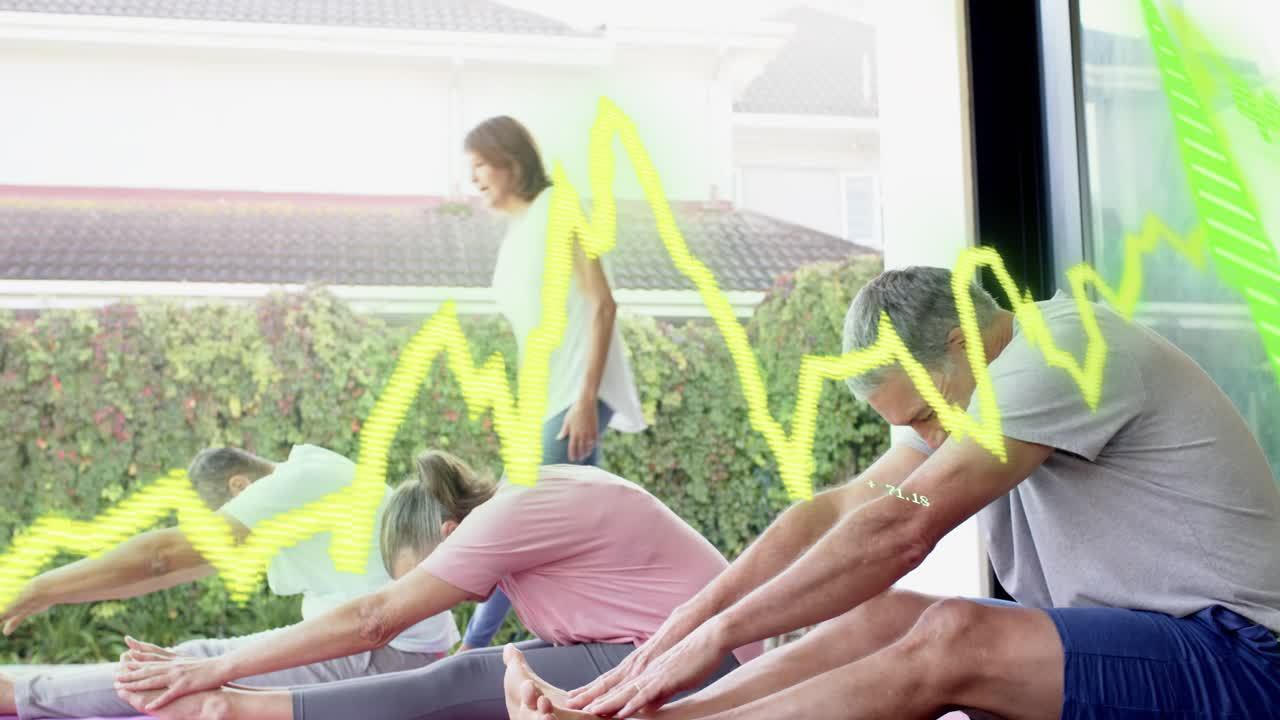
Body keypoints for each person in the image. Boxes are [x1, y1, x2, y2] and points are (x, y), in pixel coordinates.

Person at [504, 266, 1280, 720]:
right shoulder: (967, 392)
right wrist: (688, 622)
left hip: (1246, 655)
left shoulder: (1060, 350)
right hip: (1139, 638)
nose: (928, 439)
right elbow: (842, 512)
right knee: (879, 618)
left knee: (952, 637)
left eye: (924, 418)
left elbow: (901, 532)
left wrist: (718, 636)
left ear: (962, 342)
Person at [111, 451, 761, 720]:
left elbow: (374, 620)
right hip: (673, 647)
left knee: (467, 681)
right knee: (482, 667)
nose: (432, 592)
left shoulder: (510, 513)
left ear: (448, 531)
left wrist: (221, 672)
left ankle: (239, 712)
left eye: (422, 572)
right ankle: (244, 701)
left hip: (707, 660)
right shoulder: (525, 505)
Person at [0, 445, 458, 720]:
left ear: (240, 487)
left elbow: (160, 559)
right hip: (383, 646)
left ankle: (14, 694)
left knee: (187, 668)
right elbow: (175, 567)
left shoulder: (297, 483)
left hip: (387, 654)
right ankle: (23, 689)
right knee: (192, 658)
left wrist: (37, 588)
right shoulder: (312, 476)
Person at [457, 115, 647, 652]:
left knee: (519, 519)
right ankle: (614, 635)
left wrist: (586, 399)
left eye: (479, 167)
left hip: (575, 397)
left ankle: (470, 649)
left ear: (510, 162)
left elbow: (603, 304)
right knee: (576, 530)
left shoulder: (559, 209)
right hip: (544, 400)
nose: (473, 180)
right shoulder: (516, 234)